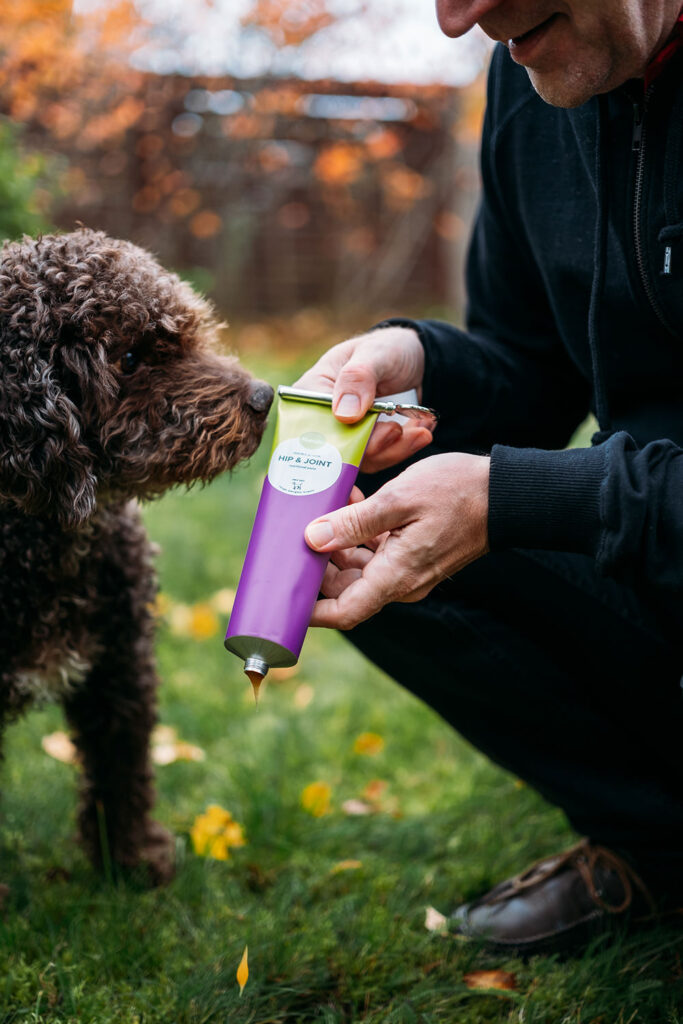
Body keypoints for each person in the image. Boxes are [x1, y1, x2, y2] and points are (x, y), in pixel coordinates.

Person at [294, 0, 683, 956]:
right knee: (370, 544)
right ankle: (662, 849)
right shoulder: (532, 71)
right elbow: (530, 368)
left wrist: (514, 498)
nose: (455, 20)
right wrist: (415, 361)